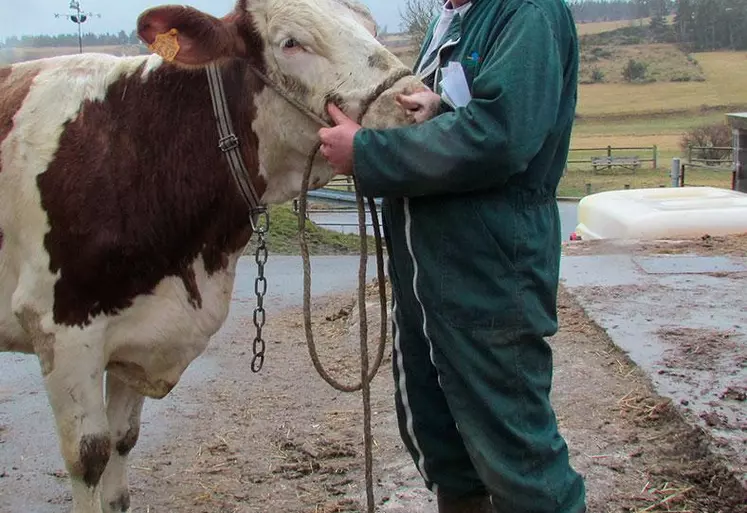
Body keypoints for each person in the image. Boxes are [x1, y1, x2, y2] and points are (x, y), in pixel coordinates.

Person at [318, 0, 586, 511]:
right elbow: (476, 112)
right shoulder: (457, 16)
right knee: (446, 449)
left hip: (489, 272)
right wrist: (438, 108)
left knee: (518, 457)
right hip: (427, 272)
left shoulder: (528, 12)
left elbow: (504, 136)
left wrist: (369, 153)